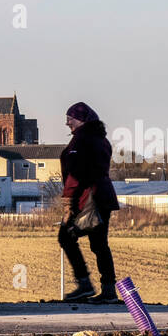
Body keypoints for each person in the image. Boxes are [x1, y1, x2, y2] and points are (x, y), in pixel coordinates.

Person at [58, 102, 121, 303]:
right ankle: (109, 290)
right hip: (104, 197)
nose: (67, 123)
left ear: (82, 120)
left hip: (88, 200)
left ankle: (84, 284)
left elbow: (75, 175)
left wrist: (68, 204)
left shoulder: (81, 140)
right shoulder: (102, 140)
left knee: (66, 236)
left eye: (70, 118)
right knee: (100, 244)